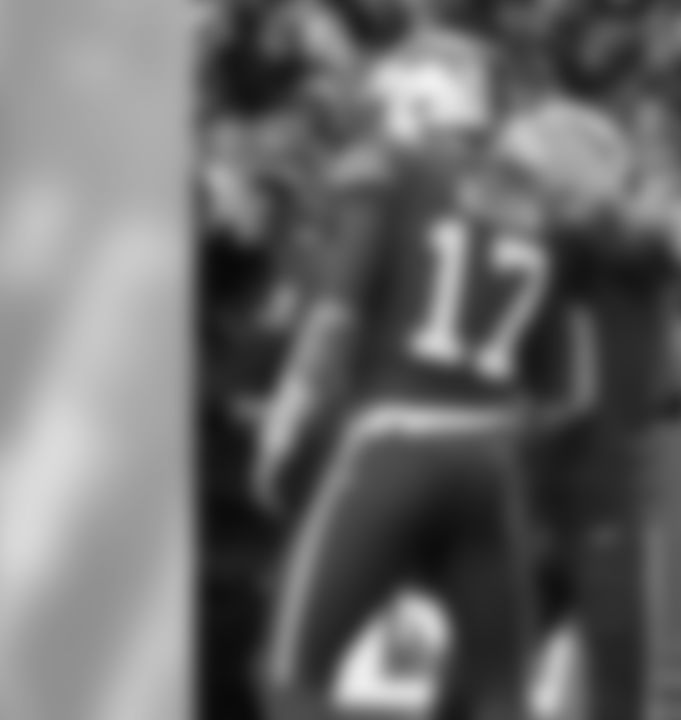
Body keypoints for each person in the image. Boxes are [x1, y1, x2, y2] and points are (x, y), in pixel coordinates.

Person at [252, 94, 632, 720]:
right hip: (488, 463)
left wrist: (285, 417)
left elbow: (336, 315)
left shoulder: (402, 168)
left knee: (292, 678)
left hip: (392, 445)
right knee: (501, 699)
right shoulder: (560, 239)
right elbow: (571, 395)